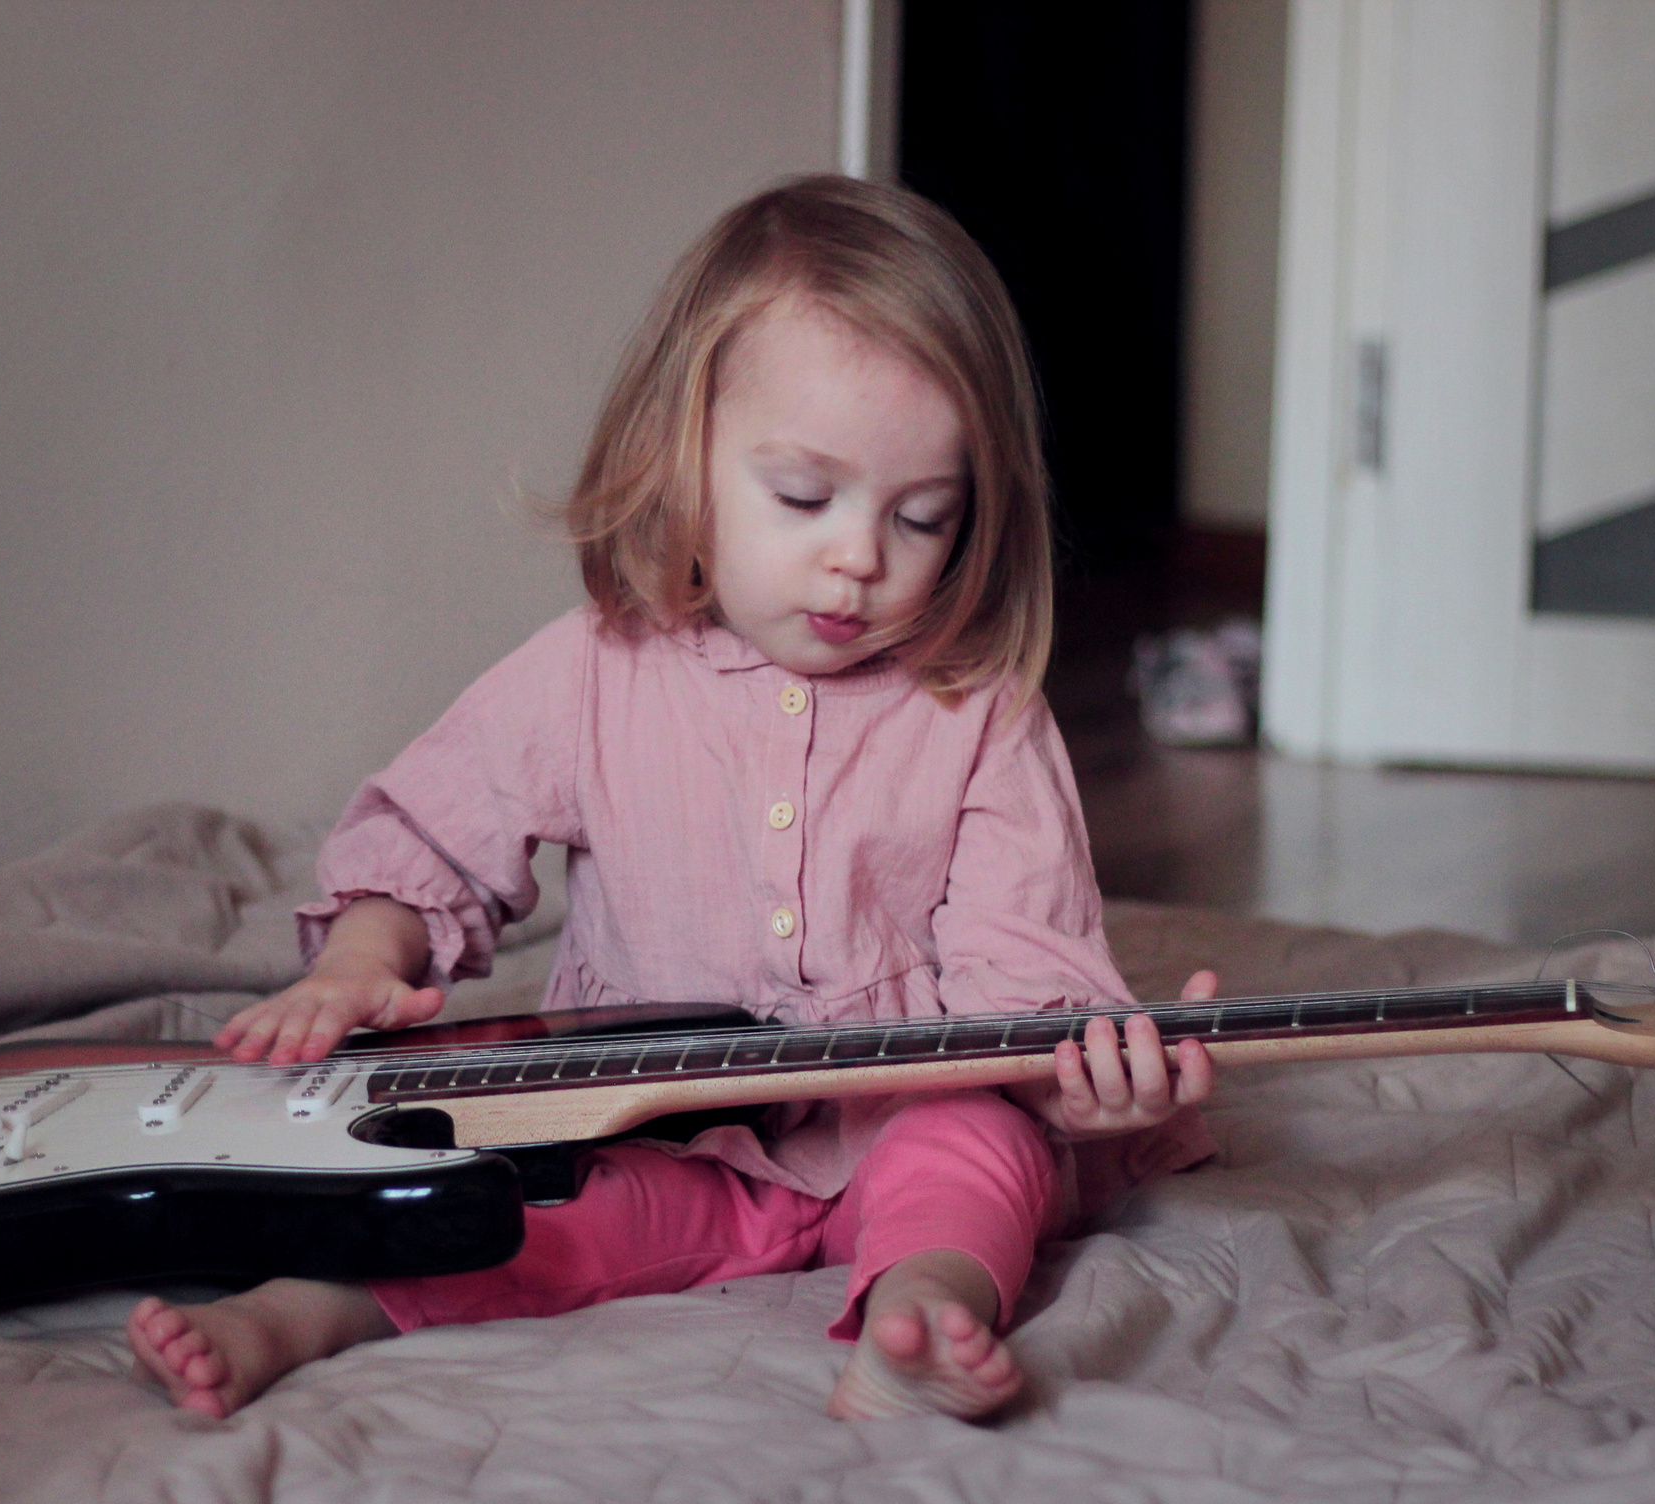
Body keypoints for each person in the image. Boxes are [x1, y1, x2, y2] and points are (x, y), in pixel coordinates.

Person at [129, 175, 1218, 1423]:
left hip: (892, 1128)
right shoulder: (596, 667)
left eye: (921, 518)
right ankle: (295, 1311)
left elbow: (1020, 977)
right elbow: (432, 833)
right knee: (521, 1211)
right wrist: (364, 958)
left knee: (978, 1152)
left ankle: (923, 1318)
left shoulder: (980, 713)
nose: (857, 557)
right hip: (655, 1129)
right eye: (803, 499)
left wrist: (1081, 1084)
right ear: (680, 452)